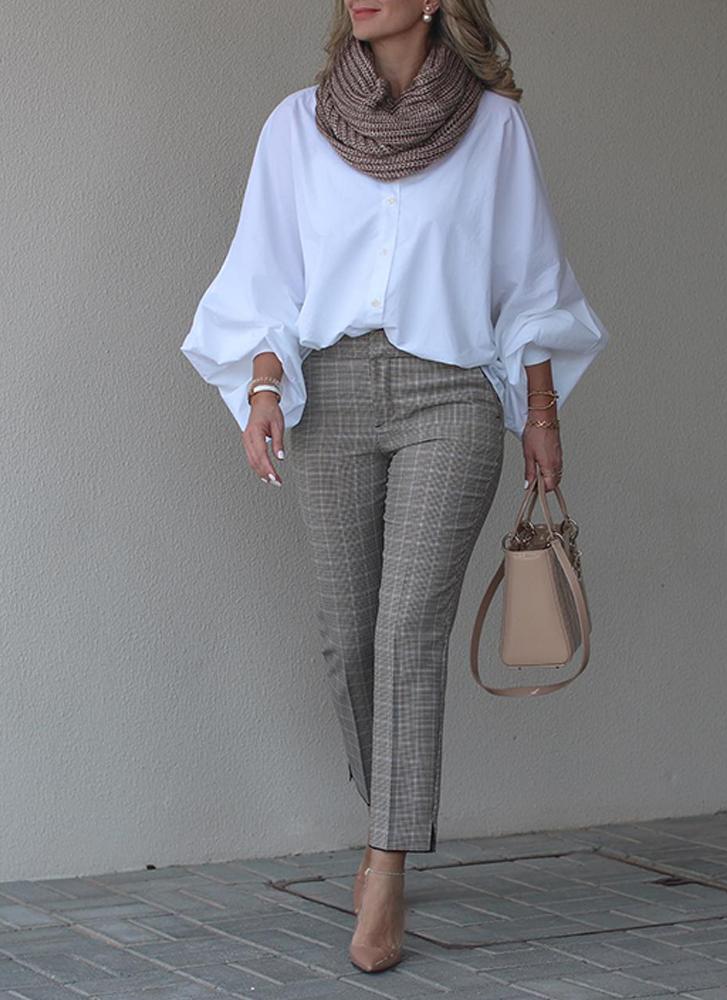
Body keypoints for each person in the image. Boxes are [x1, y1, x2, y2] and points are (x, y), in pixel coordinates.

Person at [180, 0, 608, 975]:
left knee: (409, 628)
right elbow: (265, 277)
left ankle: (386, 865)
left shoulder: (493, 129)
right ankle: (392, 818)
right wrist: (261, 390)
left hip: (448, 394)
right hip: (328, 393)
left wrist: (541, 417)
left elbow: (529, 285)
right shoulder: (297, 126)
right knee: (349, 636)